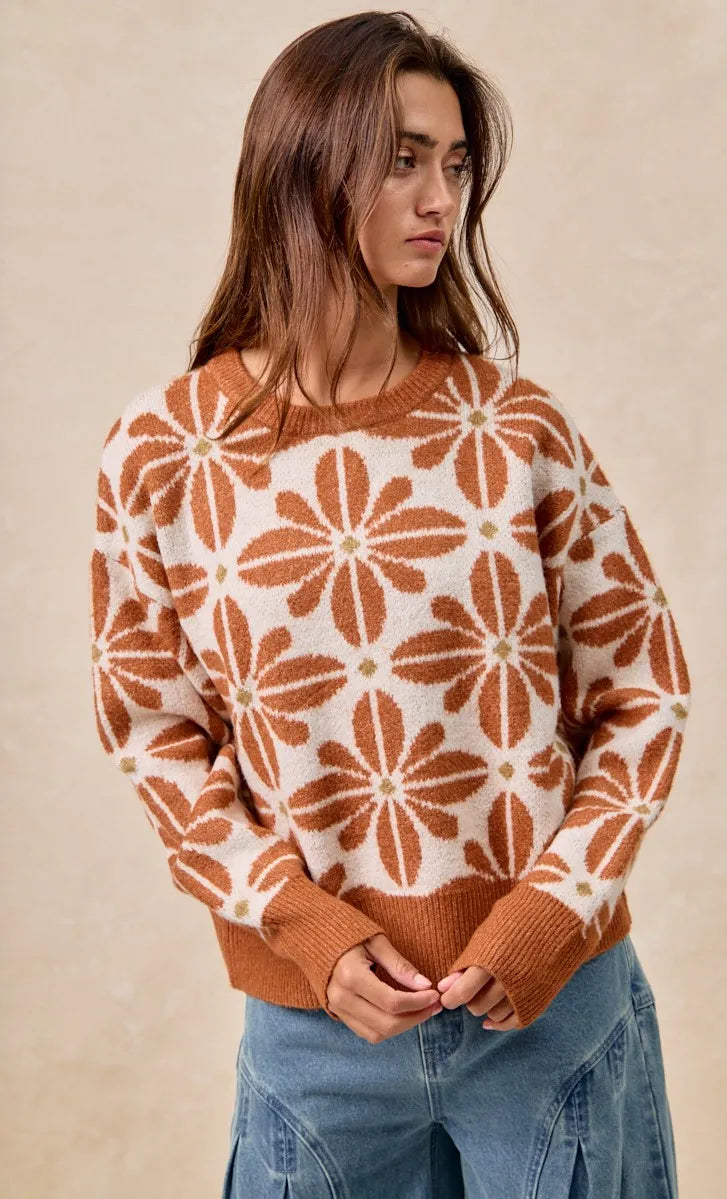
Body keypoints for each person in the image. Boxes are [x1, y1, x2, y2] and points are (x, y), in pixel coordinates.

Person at [88, 10, 691, 1197]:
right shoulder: (162, 453)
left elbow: (646, 692)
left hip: (551, 1013)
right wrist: (302, 929)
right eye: (403, 156)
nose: (440, 197)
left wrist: (546, 917)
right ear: (304, 164)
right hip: (317, 1037)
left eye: (456, 164)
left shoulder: (513, 428)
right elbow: (157, 735)